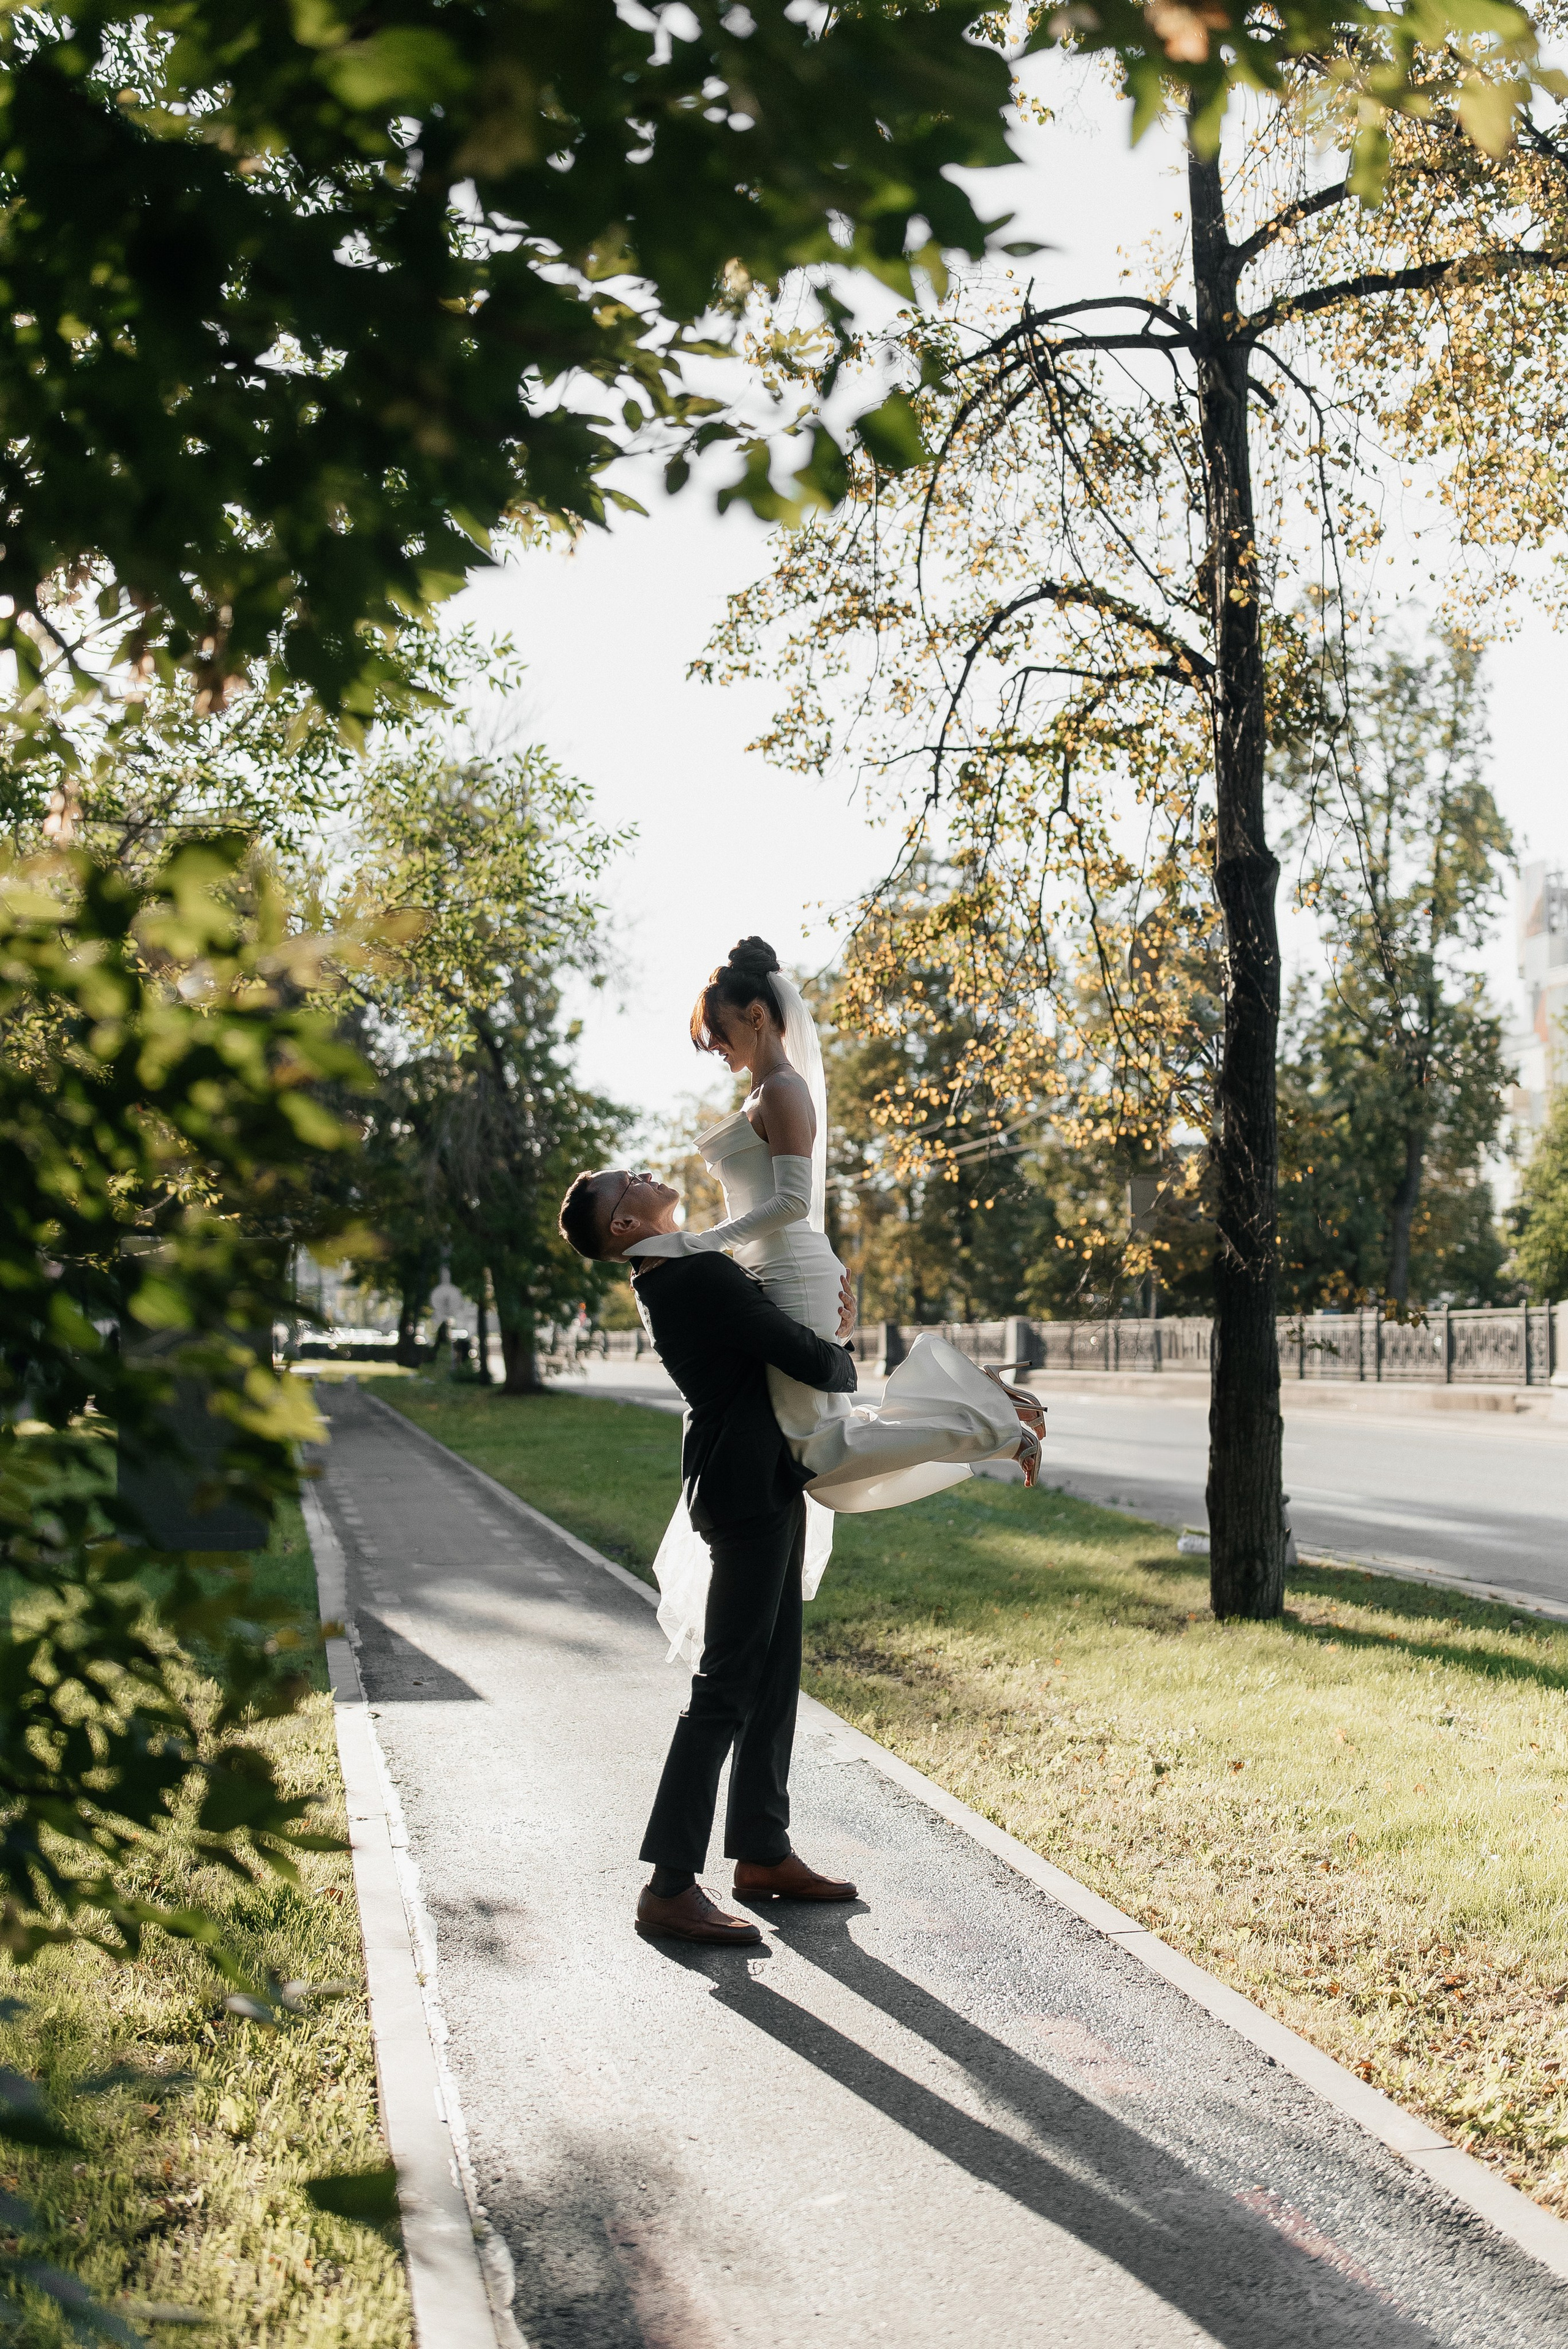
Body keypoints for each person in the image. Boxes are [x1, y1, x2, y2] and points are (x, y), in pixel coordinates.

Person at [620, 938, 1044, 1662]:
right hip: (777, 1272)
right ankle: (985, 1406)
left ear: (757, 1015)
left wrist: (702, 1242)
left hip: (788, 1268)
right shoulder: (761, 1092)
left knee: (820, 1451)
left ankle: (998, 1426)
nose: (716, 1050)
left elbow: (790, 1201)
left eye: (720, 1035)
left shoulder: (783, 1092)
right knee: (825, 1438)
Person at [557, 1162, 865, 1946]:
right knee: (728, 1682)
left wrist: (827, 1338)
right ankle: (667, 1886)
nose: (648, 1172)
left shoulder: (674, 1270)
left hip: (758, 1475)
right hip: (746, 1486)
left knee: (774, 1670)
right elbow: (800, 1353)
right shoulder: (691, 1275)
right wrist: (843, 1347)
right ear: (624, 1227)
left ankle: (762, 1850)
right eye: (630, 1181)